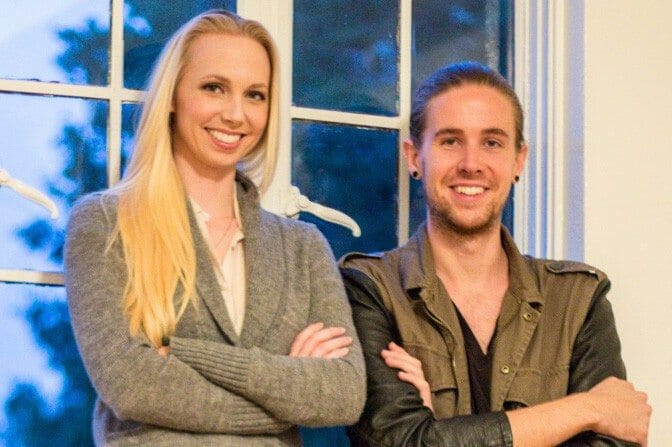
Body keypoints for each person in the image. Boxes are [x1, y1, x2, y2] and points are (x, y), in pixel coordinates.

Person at [64, 10, 365, 446]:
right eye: (213, 88)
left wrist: (187, 353)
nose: (236, 115)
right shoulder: (106, 223)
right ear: (172, 94)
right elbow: (132, 385)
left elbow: (342, 395)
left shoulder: (303, 247)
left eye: (255, 95)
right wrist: (285, 392)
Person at [340, 61, 651, 446]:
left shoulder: (579, 299)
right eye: (450, 141)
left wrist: (436, 433)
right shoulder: (369, 289)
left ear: (518, 160)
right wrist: (585, 408)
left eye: (492, 142)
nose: (471, 165)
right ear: (414, 157)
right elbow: (396, 440)